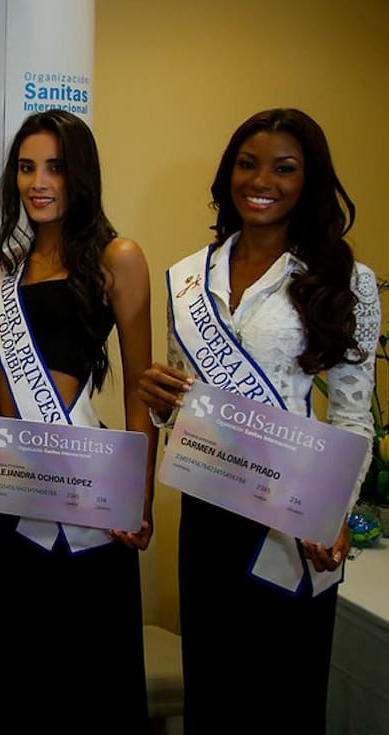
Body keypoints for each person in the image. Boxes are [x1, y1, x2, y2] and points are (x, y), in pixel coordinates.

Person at [138, 108, 379, 734]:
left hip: (292, 520)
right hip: (209, 511)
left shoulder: (347, 281)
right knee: (215, 695)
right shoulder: (189, 276)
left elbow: (353, 415)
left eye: (284, 167)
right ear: (229, 174)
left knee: (284, 699)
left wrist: (333, 511)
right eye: (248, 163)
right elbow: (185, 409)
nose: (261, 179)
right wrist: (163, 405)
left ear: (310, 180)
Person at [0, 109, 155, 733]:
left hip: (90, 496)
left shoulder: (117, 257)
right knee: (25, 684)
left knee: (92, 686)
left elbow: (138, 392)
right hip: (19, 502)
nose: (38, 182)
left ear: (81, 175)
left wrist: (138, 495)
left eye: (54, 167)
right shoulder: (2, 271)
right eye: (26, 167)